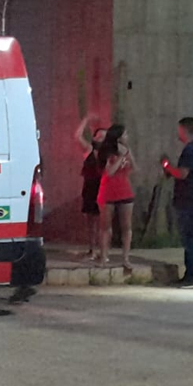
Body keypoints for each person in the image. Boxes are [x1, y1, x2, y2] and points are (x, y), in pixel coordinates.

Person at [161, 117, 193, 289]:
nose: (178, 133)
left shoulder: (191, 150)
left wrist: (167, 167)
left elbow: (182, 174)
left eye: (179, 129)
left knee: (190, 238)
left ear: (185, 130)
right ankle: (190, 274)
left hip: (189, 200)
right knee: (189, 237)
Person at [96, 124, 135, 270]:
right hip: (108, 192)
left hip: (125, 191)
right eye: (125, 134)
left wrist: (129, 155)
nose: (127, 137)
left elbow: (134, 168)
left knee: (127, 226)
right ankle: (103, 257)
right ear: (118, 136)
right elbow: (109, 172)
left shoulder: (126, 150)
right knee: (105, 226)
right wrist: (120, 157)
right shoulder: (106, 151)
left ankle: (126, 258)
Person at [75, 115, 107, 260]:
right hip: (90, 187)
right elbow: (77, 136)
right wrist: (86, 120)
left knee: (104, 222)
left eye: (104, 137)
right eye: (99, 136)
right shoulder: (88, 150)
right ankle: (92, 250)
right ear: (94, 138)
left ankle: (103, 251)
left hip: (104, 188)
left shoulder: (109, 154)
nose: (101, 139)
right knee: (91, 222)